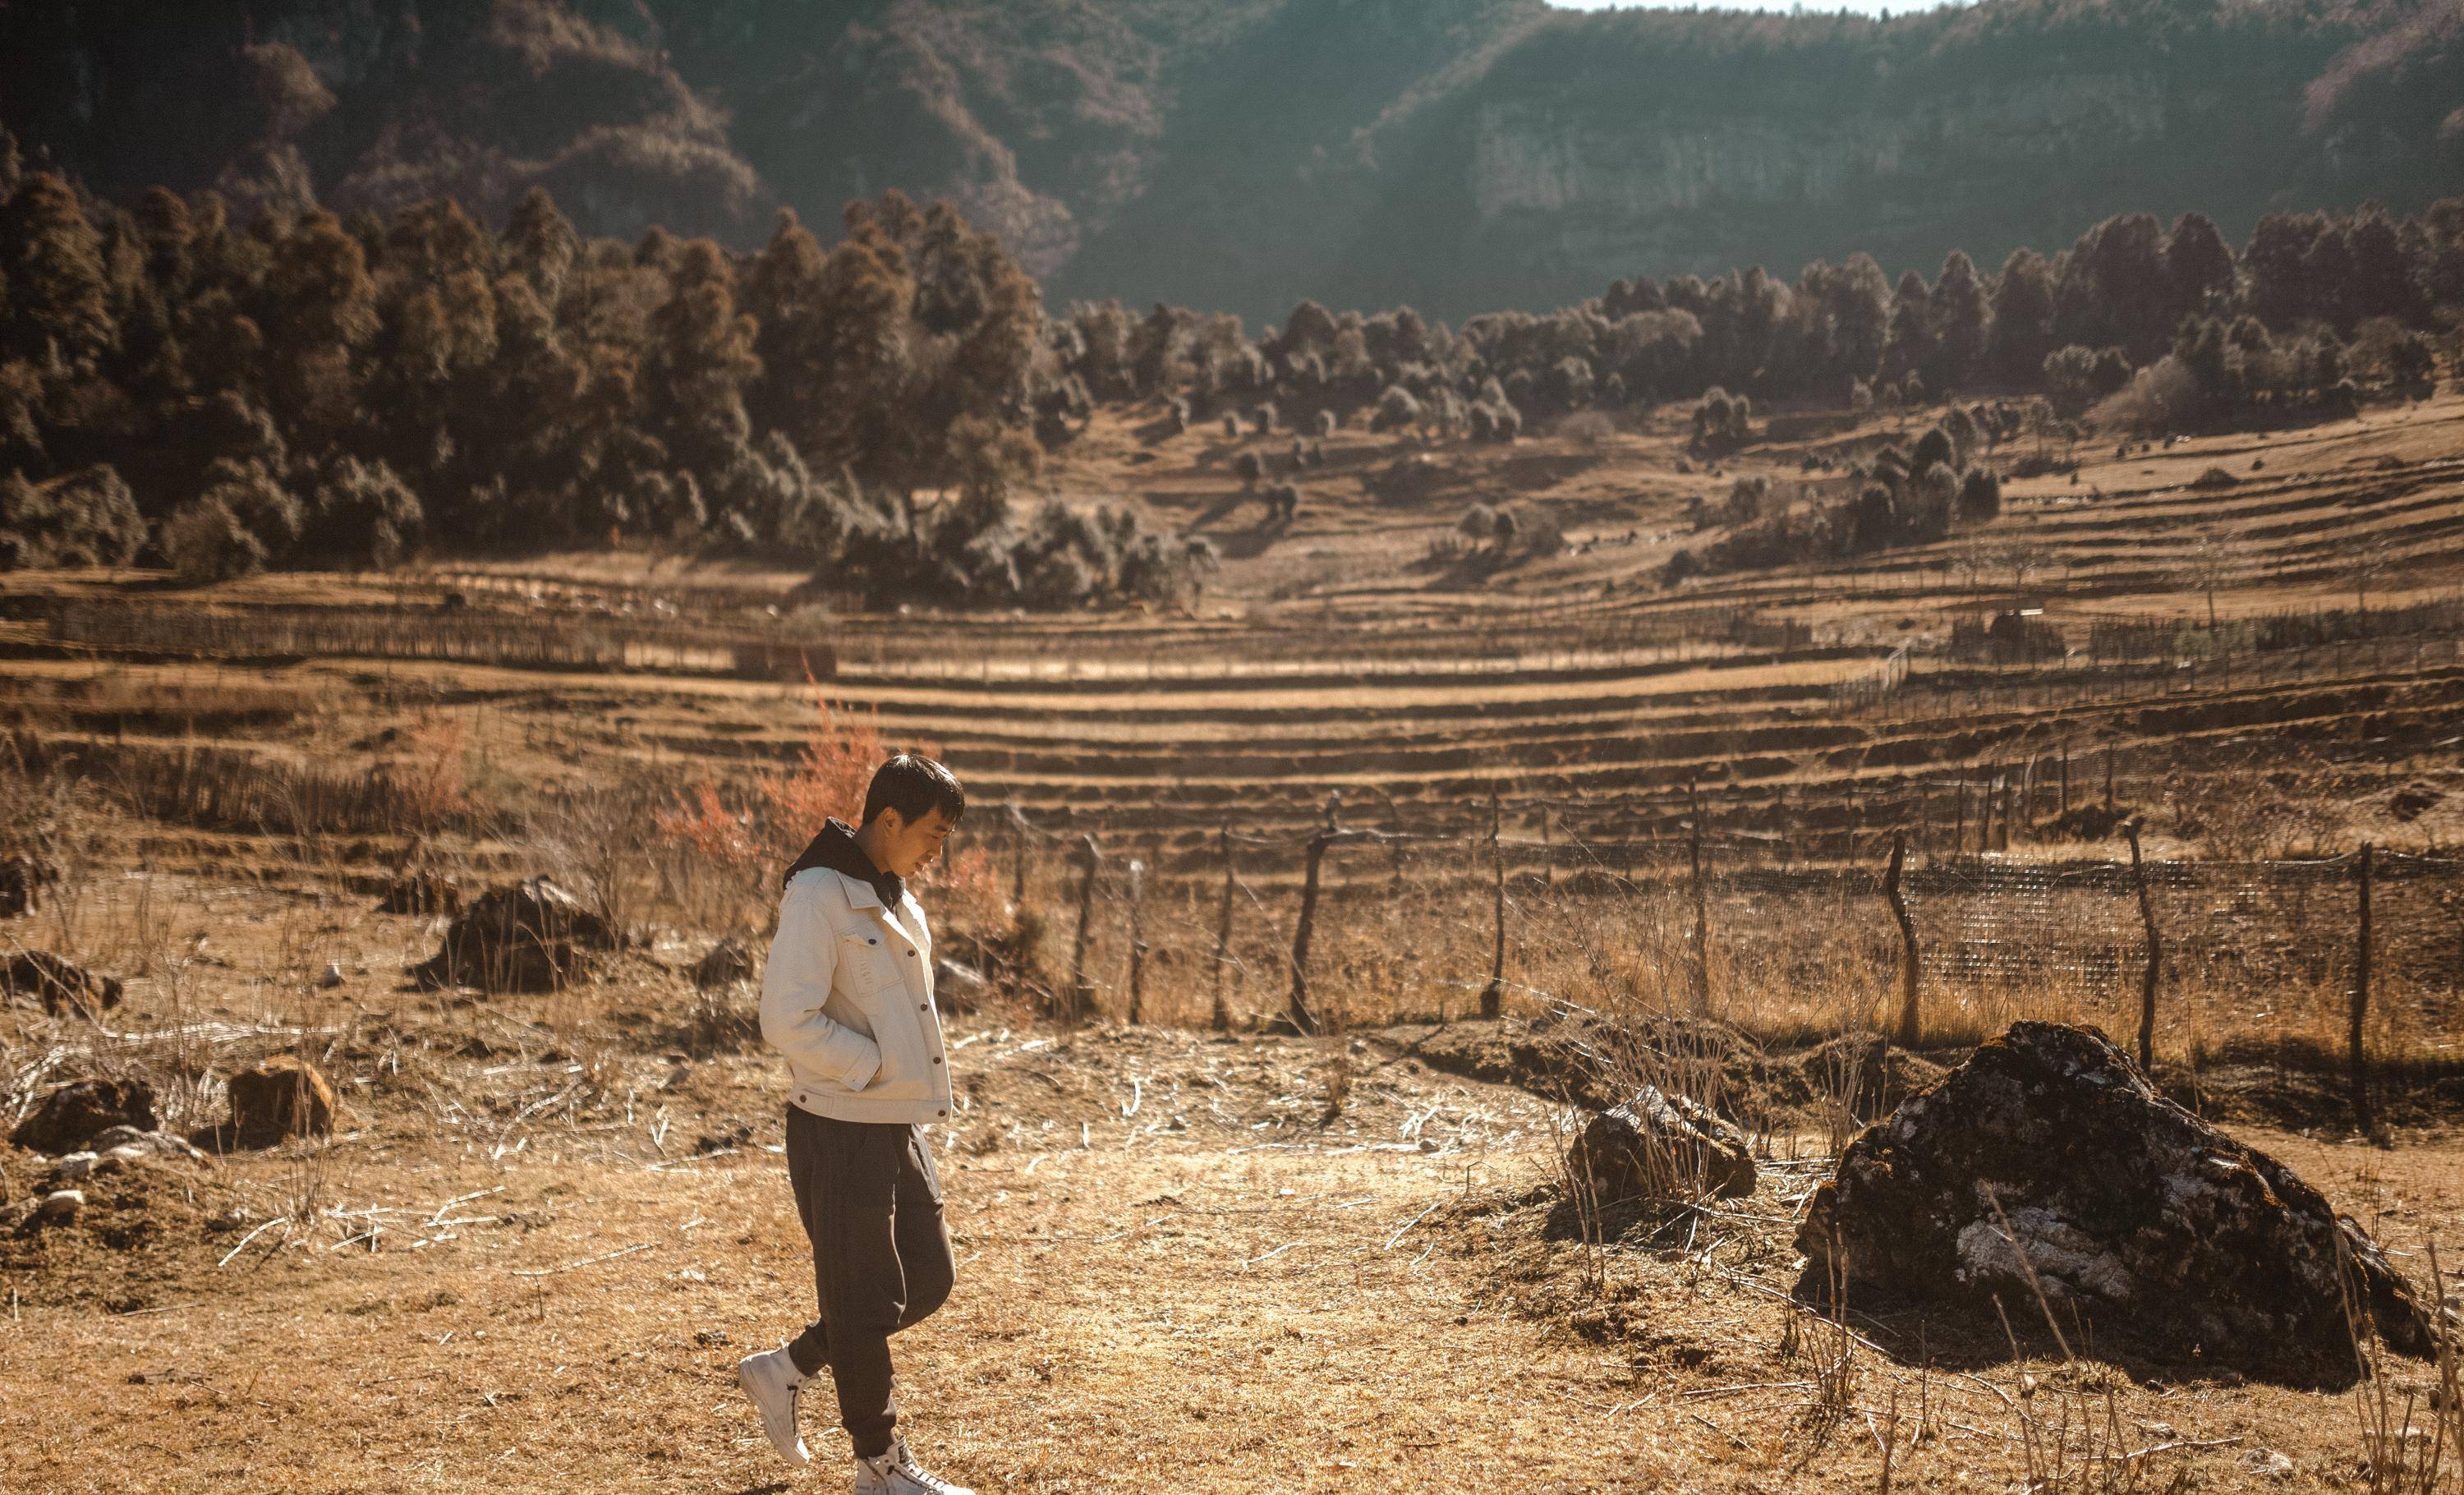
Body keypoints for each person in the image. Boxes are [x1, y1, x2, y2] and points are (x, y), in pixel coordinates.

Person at [737, 753, 971, 1495]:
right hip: (839, 1124)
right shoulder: (817, 895)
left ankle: (791, 1366)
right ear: (888, 819)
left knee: (927, 1278)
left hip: (895, 1121)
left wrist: (894, 1086)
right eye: (934, 832)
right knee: (865, 1300)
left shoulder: (896, 897)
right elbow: (786, 1018)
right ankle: (880, 1466)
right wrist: (871, 1069)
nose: (940, 847)